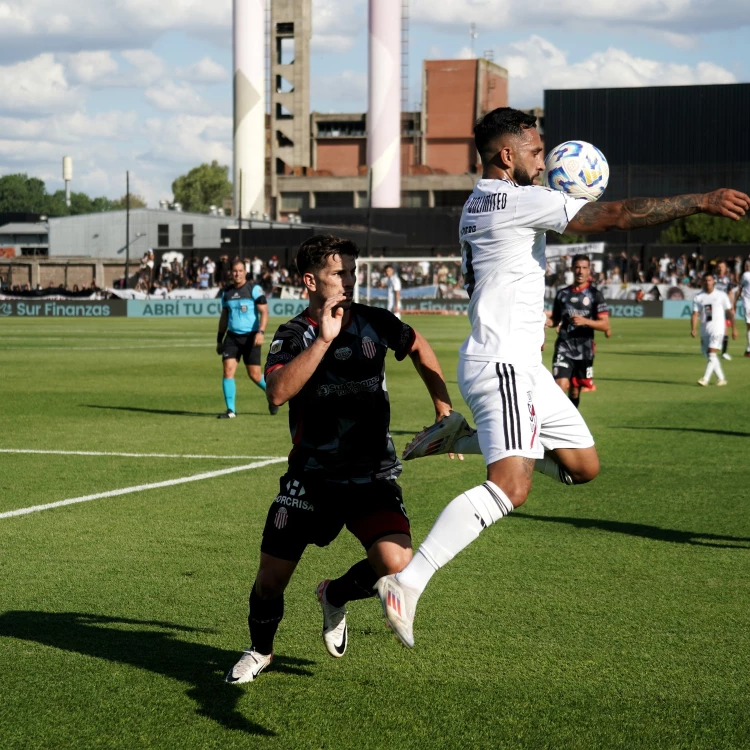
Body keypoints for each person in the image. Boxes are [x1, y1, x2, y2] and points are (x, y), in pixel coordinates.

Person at [374, 106, 750, 648]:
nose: (543, 162)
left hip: (524, 368)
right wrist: (701, 200)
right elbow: (617, 215)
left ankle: (469, 434)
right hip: (501, 362)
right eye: (533, 151)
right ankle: (408, 584)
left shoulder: (481, 200)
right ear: (507, 155)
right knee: (511, 488)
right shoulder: (516, 200)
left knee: (582, 467)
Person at [224, 234, 454, 684]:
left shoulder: (374, 321)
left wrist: (442, 407)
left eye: (352, 271)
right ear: (310, 280)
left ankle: (335, 594)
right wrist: (323, 341)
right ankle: (261, 651)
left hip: (371, 475)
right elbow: (277, 391)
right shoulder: (293, 334)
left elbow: (420, 347)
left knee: (395, 562)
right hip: (311, 477)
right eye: (338, 273)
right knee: (270, 579)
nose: (349, 280)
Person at [216, 258, 276, 418]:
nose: (237, 274)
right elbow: (224, 317)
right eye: (234, 271)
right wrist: (219, 339)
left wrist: (261, 332)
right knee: (228, 371)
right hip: (232, 338)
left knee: (255, 375)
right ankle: (231, 410)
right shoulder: (226, 292)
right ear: (231, 273)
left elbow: (264, 312)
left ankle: (273, 397)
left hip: (251, 337)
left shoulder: (254, 289)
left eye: (240, 271)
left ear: (245, 272)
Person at [548, 254, 610, 407]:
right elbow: (554, 319)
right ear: (571, 269)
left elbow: (605, 325)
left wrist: (585, 321)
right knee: (559, 387)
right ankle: (556, 424)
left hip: (584, 350)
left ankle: (570, 423)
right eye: (577, 268)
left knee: (575, 392)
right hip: (564, 346)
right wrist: (542, 321)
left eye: (584, 268)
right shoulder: (562, 294)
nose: (580, 271)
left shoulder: (595, 295)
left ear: (589, 270)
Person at [691, 271, 736, 386]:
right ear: (702, 282)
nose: (707, 282)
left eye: (710, 280)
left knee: (711, 353)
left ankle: (705, 379)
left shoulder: (721, 295)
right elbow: (696, 314)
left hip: (718, 329)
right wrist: (693, 328)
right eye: (705, 280)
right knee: (710, 355)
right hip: (705, 329)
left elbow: (730, 312)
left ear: (714, 281)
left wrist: (734, 328)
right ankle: (721, 379)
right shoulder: (699, 297)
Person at [714, 260, 735, 360]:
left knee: (725, 328)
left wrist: (731, 306)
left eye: (722, 266)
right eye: (718, 266)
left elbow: (730, 292)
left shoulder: (727, 279)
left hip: (723, 307)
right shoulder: (712, 278)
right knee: (711, 328)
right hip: (712, 306)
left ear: (725, 268)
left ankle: (724, 352)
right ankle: (710, 349)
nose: (720, 268)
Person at [736, 259, 750, 357]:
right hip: (747, 301)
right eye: (746, 265)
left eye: (748, 265)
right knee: (749, 325)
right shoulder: (745, 275)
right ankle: (749, 348)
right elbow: (740, 288)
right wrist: (735, 300)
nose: (747, 266)